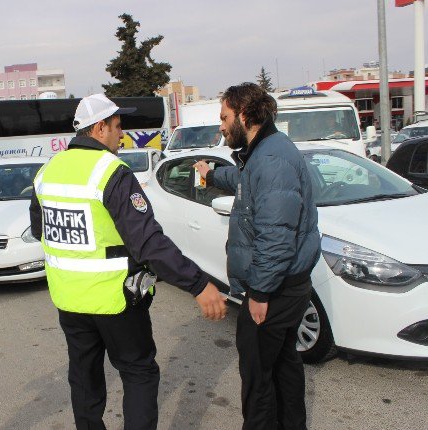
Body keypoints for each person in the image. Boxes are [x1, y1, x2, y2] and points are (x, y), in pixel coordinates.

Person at [29, 93, 227, 430]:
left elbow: (39, 230)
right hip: (115, 299)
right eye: (118, 127)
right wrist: (197, 284)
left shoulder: (48, 171)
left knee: (84, 378)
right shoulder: (110, 172)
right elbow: (148, 242)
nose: (121, 135)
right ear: (100, 127)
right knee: (139, 373)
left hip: (69, 301)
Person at [194, 83, 320, 430]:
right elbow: (244, 178)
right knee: (283, 363)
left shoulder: (272, 159)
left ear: (245, 115)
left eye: (224, 117)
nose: (220, 126)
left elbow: (276, 238)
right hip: (286, 286)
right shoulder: (265, 152)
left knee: (257, 375)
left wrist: (261, 293)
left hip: (275, 290)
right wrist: (211, 174)